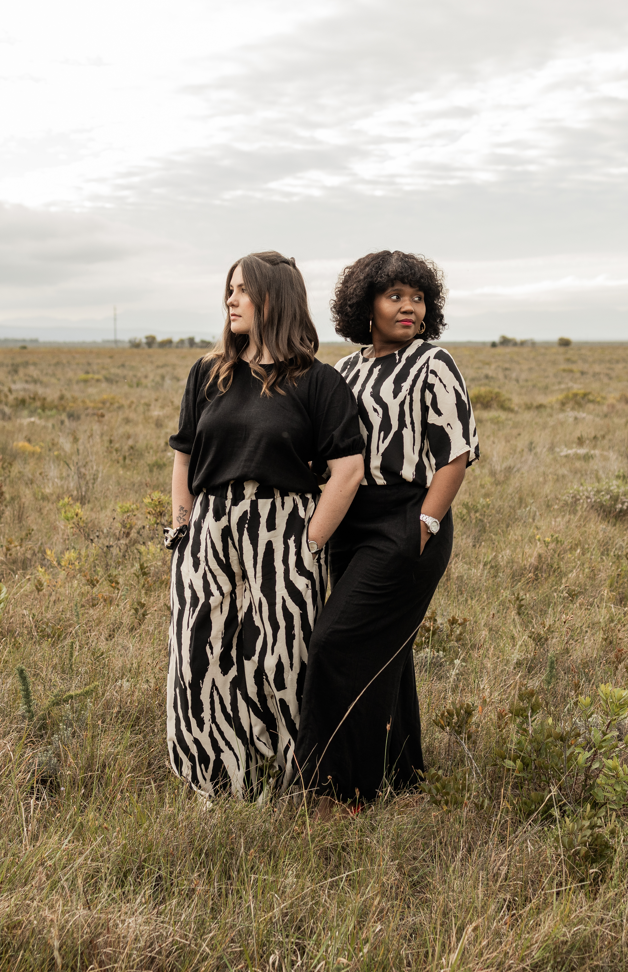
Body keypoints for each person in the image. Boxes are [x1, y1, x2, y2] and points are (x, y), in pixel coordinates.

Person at [166, 251, 364, 800]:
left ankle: (282, 783)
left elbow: (348, 471)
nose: (230, 300)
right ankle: (213, 780)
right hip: (208, 528)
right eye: (228, 289)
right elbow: (183, 458)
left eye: (242, 290)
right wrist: (182, 529)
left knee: (279, 657)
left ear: (273, 298)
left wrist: (309, 545)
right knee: (200, 650)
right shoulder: (209, 373)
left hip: (283, 530)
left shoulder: (318, 382)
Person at [295, 250, 480, 812]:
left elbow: (456, 453)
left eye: (417, 298)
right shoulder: (345, 370)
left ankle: (338, 791)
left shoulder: (433, 363)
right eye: (394, 296)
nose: (408, 308)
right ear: (365, 305)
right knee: (384, 651)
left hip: (408, 517)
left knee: (336, 643)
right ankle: (401, 777)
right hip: (351, 520)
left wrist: (425, 523)